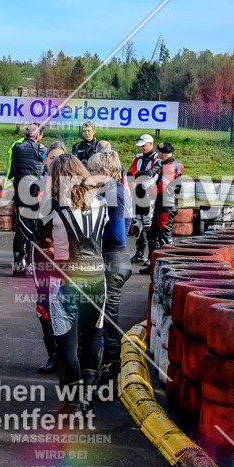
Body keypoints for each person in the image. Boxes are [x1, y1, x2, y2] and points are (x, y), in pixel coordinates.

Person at [34, 153, 107, 414]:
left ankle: (74, 403)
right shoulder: (100, 202)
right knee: (92, 338)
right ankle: (86, 400)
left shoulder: (53, 207)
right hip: (98, 278)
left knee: (66, 345)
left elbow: (39, 242)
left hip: (66, 280)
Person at [88, 150, 133, 380]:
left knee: (107, 320)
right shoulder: (117, 189)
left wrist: (88, 233)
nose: (87, 175)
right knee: (103, 317)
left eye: (91, 171)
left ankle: (110, 372)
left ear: (103, 173)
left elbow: (117, 235)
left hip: (112, 260)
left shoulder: (112, 191)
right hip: (116, 259)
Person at [31, 140, 67, 374]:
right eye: (50, 157)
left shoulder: (75, 189)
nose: (54, 162)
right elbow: (25, 223)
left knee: (66, 306)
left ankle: (68, 356)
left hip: (66, 258)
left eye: (59, 158)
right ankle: (53, 356)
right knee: (43, 307)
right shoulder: (35, 186)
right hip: (41, 258)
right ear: (45, 161)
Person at [5, 123, 46, 277]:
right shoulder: (41, 148)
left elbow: (12, 171)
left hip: (20, 195)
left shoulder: (16, 148)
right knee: (32, 230)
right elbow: (46, 166)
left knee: (20, 231)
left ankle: (18, 267)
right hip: (35, 195)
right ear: (37, 136)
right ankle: (30, 265)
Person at [138, 141, 184, 275]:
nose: (157, 154)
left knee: (164, 236)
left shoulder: (169, 166)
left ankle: (168, 267)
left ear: (162, 153)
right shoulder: (174, 164)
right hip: (165, 204)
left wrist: (147, 191)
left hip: (166, 206)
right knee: (153, 234)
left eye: (158, 152)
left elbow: (161, 187)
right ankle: (154, 265)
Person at [128, 133, 160, 264]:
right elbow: (130, 173)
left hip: (151, 194)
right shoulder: (137, 157)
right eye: (140, 146)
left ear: (151, 144)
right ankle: (139, 254)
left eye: (144, 145)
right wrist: (139, 174)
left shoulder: (158, 158)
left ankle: (151, 256)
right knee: (137, 223)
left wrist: (139, 174)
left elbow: (150, 173)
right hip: (137, 192)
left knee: (148, 223)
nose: (141, 148)